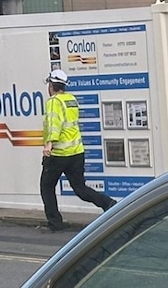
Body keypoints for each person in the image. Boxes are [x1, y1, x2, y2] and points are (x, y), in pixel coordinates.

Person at [39, 69, 115, 232]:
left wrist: (49, 144)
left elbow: (54, 124)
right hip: (76, 153)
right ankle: (108, 203)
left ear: (51, 85)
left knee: (46, 187)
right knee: (80, 189)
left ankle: (55, 223)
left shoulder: (53, 102)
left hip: (59, 154)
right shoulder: (71, 99)